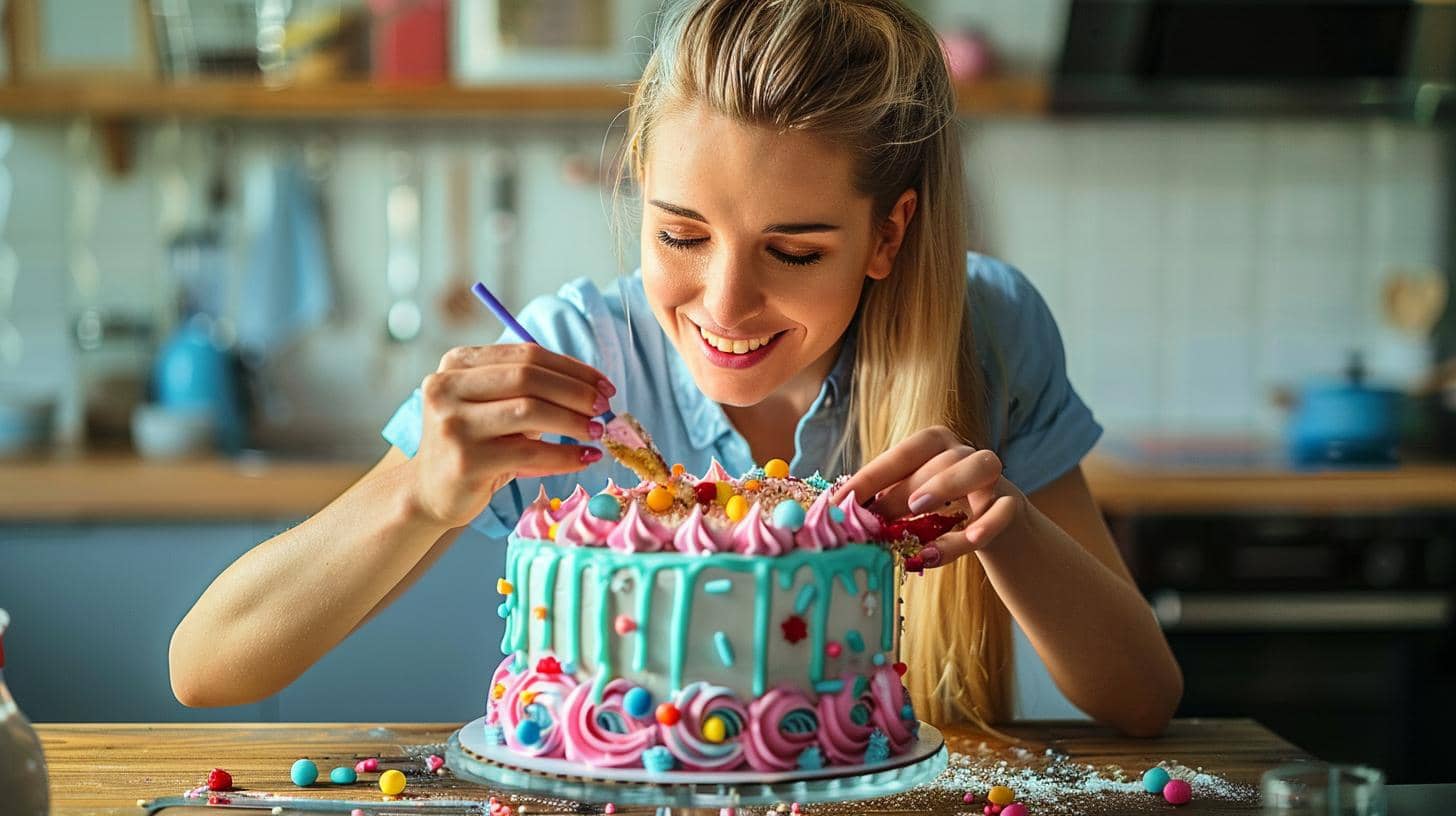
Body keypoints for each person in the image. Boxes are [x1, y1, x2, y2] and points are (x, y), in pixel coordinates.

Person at [170, 0, 1181, 736]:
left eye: (792, 252)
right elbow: (206, 666)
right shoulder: (565, 360)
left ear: (888, 232)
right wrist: (417, 499)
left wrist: (1004, 525)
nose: (724, 305)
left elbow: (1141, 699)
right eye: (680, 235)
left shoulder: (988, 331)